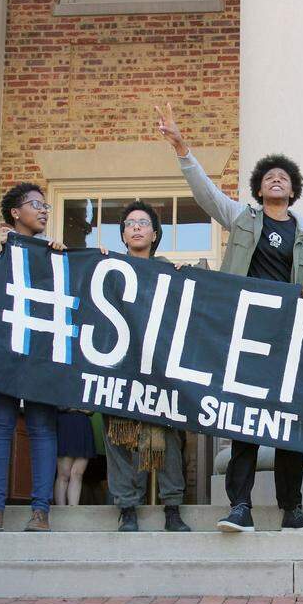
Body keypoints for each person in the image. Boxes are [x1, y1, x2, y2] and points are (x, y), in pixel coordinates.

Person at [157, 102, 303, 533]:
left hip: (288, 339)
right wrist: (182, 147)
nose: (277, 179)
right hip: (245, 335)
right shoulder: (243, 218)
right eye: (270, 176)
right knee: (244, 422)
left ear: (293, 191)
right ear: (259, 187)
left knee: (291, 425)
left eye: (284, 178)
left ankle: (293, 510)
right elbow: (206, 195)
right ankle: (240, 507)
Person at [0, 183, 63, 533]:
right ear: (15, 212)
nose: (43, 210)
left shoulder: (52, 248)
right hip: (3, 344)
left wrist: (62, 258)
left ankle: (41, 509)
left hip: (41, 348)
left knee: (42, 427)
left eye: (45, 206)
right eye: (36, 204)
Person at [104, 201, 190, 533]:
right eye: (130, 223)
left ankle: (172, 507)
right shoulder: (108, 270)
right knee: (121, 437)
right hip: (120, 367)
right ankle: (127, 507)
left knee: (166, 440)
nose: (136, 227)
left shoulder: (168, 272)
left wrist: (186, 279)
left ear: (155, 234)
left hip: (159, 371)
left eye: (143, 223)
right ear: (124, 234)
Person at [55, 409, 96, 506]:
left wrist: (75, 407)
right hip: (65, 424)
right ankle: (61, 509)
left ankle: (73, 510)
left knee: (77, 474)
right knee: (63, 474)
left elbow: (91, 409)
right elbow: (60, 405)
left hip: (83, 425)